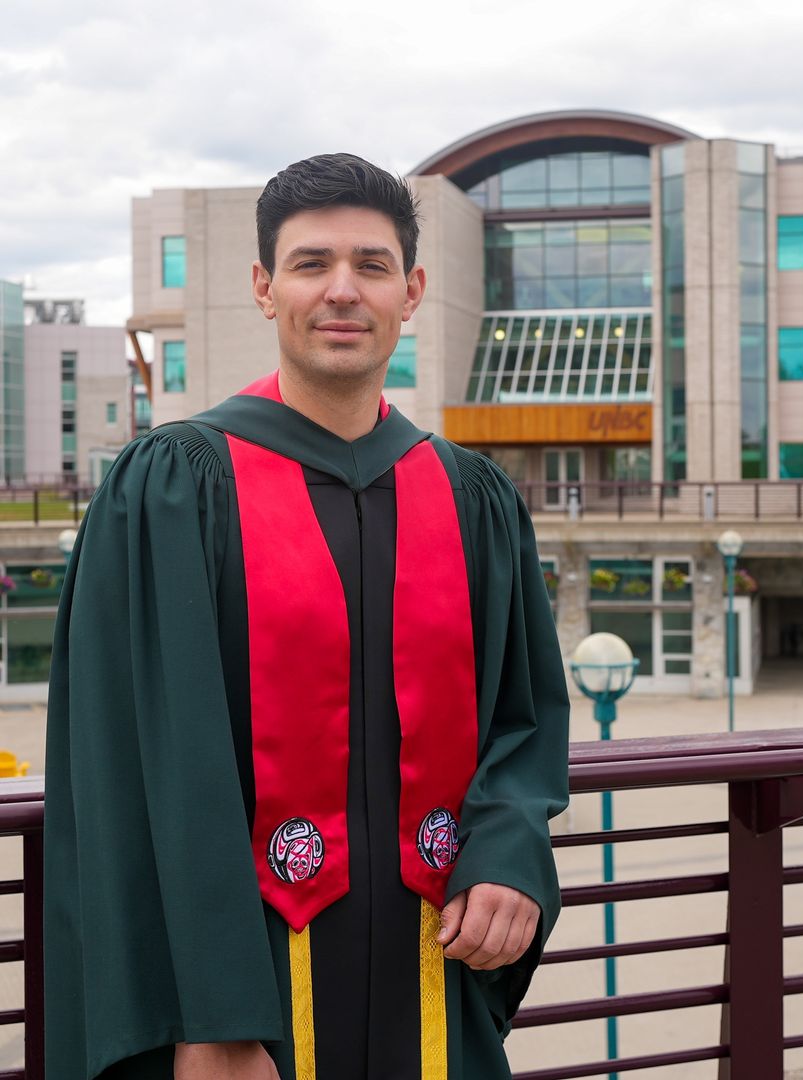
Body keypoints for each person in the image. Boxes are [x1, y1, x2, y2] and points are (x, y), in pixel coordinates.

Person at [44, 153, 570, 1080]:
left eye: (371, 266)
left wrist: (511, 856)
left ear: (410, 293)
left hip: (431, 974)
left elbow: (523, 722)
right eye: (310, 263)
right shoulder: (174, 490)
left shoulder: (470, 498)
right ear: (263, 287)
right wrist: (210, 1020)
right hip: (243, 1008)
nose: (342, 292)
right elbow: (133, 771)